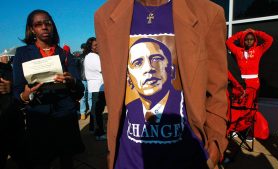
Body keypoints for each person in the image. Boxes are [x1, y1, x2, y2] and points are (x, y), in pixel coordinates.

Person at [94, 0, 228, 168]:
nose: (149, 69)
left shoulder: (208, 13)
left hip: (187, 158)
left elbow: (217, 89)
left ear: (170, 70)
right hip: (128, 160)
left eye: (156, 59)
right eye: (137, 63)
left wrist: (216, 142)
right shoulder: (105, 15)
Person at [13, 9, 84, 169]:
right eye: (38, 24)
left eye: (48, 23)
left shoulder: (64, 54)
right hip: (38, 116)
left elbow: (80, 90)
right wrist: (25, 95)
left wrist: (72, 81)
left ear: (53, 26)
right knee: (41, 162)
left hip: (65, 116)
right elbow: (16, 90)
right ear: (31, 29)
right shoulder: (22, 53)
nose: (44, 27)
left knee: (67, 161)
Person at [226, 28, 273, 141]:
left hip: (253, 85)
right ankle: (235, 128)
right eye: (246, 39)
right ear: (243, 40)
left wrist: (256, 32)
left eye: (251, 39)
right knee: (238, 108)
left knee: (250, 110)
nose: (249, 41)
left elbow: (269, 40)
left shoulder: (258, 50)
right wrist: (240, 34)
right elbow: (228, 42)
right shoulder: (238, 51)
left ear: (254, 40)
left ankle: (248, 132)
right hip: (240, 85)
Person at [84, 37, 106, 141]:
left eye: (98, 44)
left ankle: (93, 128)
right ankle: (99, 132)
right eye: (95, 45)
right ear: (91, 47)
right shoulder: (93, 57)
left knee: (94, 109)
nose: (98, 47)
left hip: (96, 86)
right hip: (99, 87)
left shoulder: (89, 56)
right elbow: (104, 69)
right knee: (98, 111)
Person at [78, 42, 92, 120]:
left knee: (83, 97)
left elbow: (77, 69)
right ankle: (91, 111)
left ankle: (83, 113)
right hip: (89, 78)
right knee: (89, 96)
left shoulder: (79, 57)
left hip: (83, 78)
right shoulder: (89, 57)